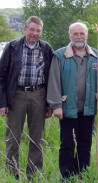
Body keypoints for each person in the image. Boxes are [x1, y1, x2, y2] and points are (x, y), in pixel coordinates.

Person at [47, 22, 98, 180]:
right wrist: (56, 105)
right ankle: (66, 176)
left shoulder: (97, 55)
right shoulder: (60, 55)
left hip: (88, 108)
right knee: (67, 144)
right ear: (70, 36)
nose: (79, 36)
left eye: (82, 33)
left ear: (87, 35)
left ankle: (81, 174)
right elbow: (53, 82)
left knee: (85, 144)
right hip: (67, 108)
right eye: (75, 34)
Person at [0, 16, 53, 180]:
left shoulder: (46, 48)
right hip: (16, 95)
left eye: (38, 31)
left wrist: (50, 103)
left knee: (37, 138)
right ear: (25, 30)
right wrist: (3, 102)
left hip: (39, 95)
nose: (34, 33)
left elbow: (51, 77)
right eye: (32, 29)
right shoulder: (12, 47)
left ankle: (34, 174)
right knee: (13, 137)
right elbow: (1, 76)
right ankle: (11, 173)